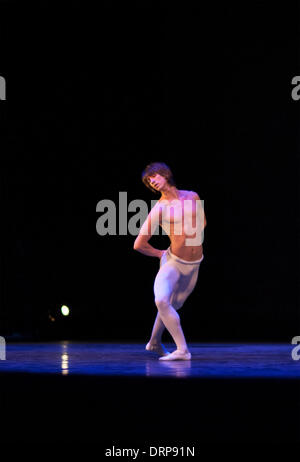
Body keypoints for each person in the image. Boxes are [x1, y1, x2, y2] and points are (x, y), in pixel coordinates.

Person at [133, 162, 207, 360]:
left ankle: (154, 342)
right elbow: (139, 243)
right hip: (173, 262)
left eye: (154, 176)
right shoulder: (159, 208)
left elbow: (203, 222)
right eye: (149, 181)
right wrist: (159, 254)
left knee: (171, 305)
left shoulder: (192, 195)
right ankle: (182, 350)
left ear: (165, 174)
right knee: (162, 300)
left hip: (194, 264)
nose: (153, 181)